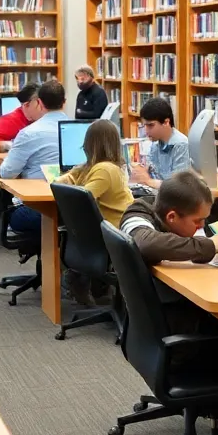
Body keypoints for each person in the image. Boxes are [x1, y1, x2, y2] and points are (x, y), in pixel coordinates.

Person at [120, 169, 218, 332]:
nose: (202, 226)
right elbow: (146, 244)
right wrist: (211, 246)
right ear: (172, 217)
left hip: (172, 307)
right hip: (170, 318)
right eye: (197, 221)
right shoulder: (137, 213)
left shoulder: (175, 216)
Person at [57, 119, 133, 305]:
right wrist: (72, 177)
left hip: (115, 231)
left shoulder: (105, 170)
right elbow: (62, 183)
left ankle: (81, 279)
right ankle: (88, 282)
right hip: (111, 230)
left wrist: (72, 181)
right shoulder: (96, 167)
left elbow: (81, 198)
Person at [0, 78, 69, 234]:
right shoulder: (77, 128)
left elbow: (7, 173)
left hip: (38, 208)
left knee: (15, 215)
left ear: (39, 102)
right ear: (64, 102)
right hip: (71, 207)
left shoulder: (28, 133)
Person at [129, 96, 189, 189]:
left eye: (150, 125)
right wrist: (141, 171)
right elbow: (151, 171)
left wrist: (148, 181)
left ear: (166, 122)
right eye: (144, 125)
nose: (146, 131)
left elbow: (179, 187)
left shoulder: (181, 145)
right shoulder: (155, 144)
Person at [0, 82, 39, 152]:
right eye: (39, 104)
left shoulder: (39, 120)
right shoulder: (13, 120)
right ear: (26, 105)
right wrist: (10, 146)